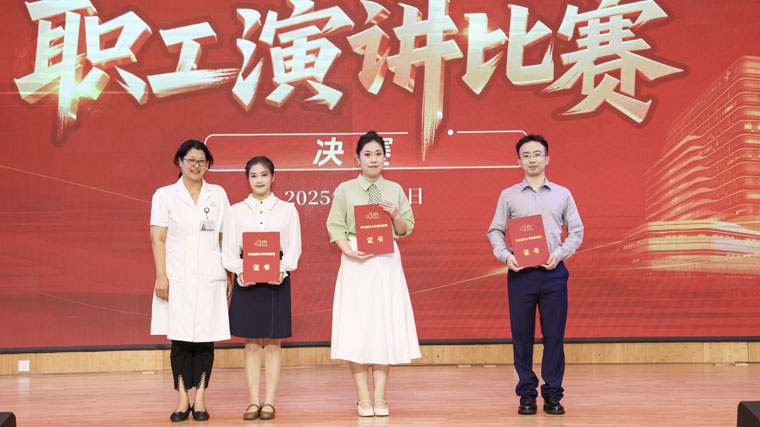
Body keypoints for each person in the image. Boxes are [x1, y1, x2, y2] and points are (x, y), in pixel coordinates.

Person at [326, 130, 421, 417]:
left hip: (386, 262)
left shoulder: (394, 189)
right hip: (356, 261)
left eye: (378, 154)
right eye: (367, 154)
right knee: (358, 328)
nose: (373, 159)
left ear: (385, 158)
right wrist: (348, 251)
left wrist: (395, 215)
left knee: (382, 326)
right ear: (357, 159)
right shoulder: (345, 189)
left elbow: (405, 229)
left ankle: (380, 397)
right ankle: (362, 397)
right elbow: (335, 226)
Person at [487, 134, 584, 416]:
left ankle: (553, 394)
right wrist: (506, 256)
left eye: (537, 154)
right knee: (522, 336)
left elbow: (576, 231)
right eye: (526, 155)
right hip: (521, 275)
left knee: (554, 336)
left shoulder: (563, 194)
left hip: (554, 274)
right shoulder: (509, 195)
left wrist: (560, 253)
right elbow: (495, 230)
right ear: (519, 161)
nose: (532, 159)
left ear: (547, 159)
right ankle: (527, 394)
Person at [150, 139, 234, 422]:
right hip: (177, 276)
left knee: (206, 340)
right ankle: (182, 399)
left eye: (202, 161)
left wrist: (228, 272)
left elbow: (224, 236)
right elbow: (158, 238)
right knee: (180, 340)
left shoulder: (217, 194)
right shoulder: (164, 195)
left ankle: (200, 399)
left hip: (211, 275)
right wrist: (161, 275)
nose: (196, 166)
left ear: (207, 164)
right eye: (191, 160)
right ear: (180, 162)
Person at [222, 156, 302, 421]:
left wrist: (282, 269)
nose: (259, 180)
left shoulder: (287, 210)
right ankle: (253, 401)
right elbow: (229, 250)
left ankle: (269, 402)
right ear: (247, 179)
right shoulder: (235, 210)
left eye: (264, 174)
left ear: (273, 177)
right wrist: (240, 270)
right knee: (252, 344)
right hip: (247, 279)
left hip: (277, 279)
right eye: (254, 175)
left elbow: (293, 248)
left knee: (274, 344)